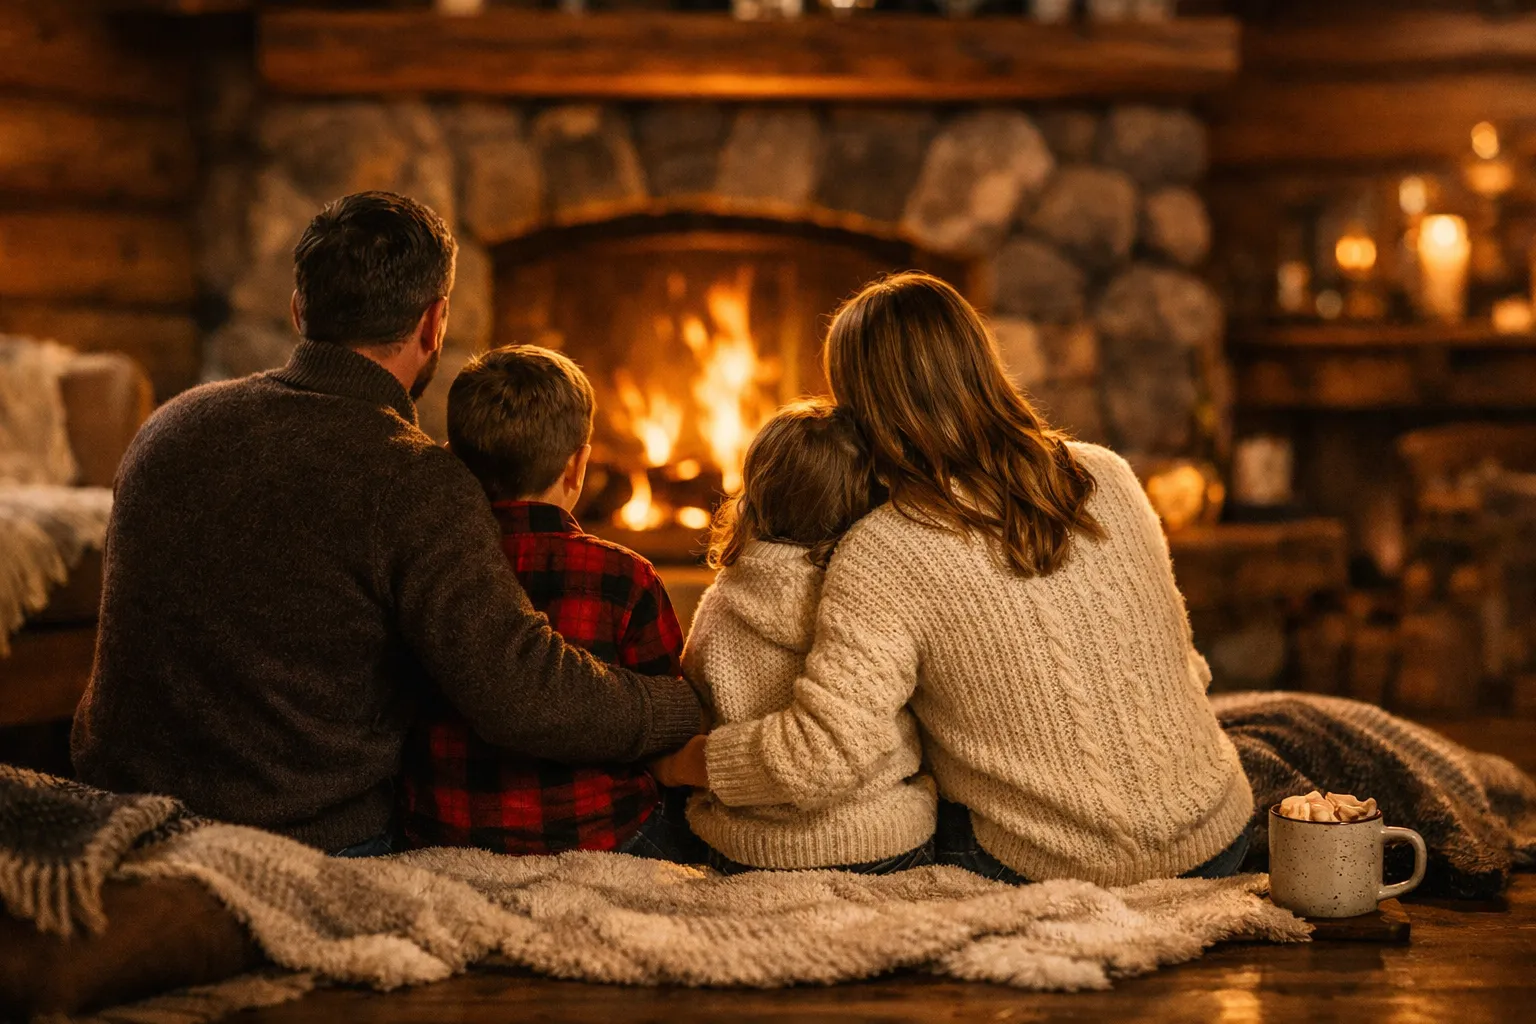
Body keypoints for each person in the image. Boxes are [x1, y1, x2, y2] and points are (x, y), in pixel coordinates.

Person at [72, 192, 702, 857]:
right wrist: (680, 708)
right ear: (434, 324)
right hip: (301, 840)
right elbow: (525, 693)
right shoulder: (414, 478)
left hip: (121, 814)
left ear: (298, 309)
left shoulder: (170, 426)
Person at [654, 272, 1252, 886]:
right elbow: (1185, 664)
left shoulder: (886, 547)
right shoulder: (1108, 475)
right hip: (1217, 832)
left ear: (860, 409)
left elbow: (823, 754)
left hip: (1058, 866)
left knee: (893, 803)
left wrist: (689, 763)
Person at [399, 345, 705, 862]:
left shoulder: (429, 565)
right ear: (577, 467)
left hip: (444, 832)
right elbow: (668, 741)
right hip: (607, 837)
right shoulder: (626, 577)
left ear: (455, 458)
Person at [682, 400, 936, 875]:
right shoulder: (879, 598)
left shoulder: (721, 605)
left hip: (752, 851)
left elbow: (697, 705)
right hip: (883, 840)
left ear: (754, 494)